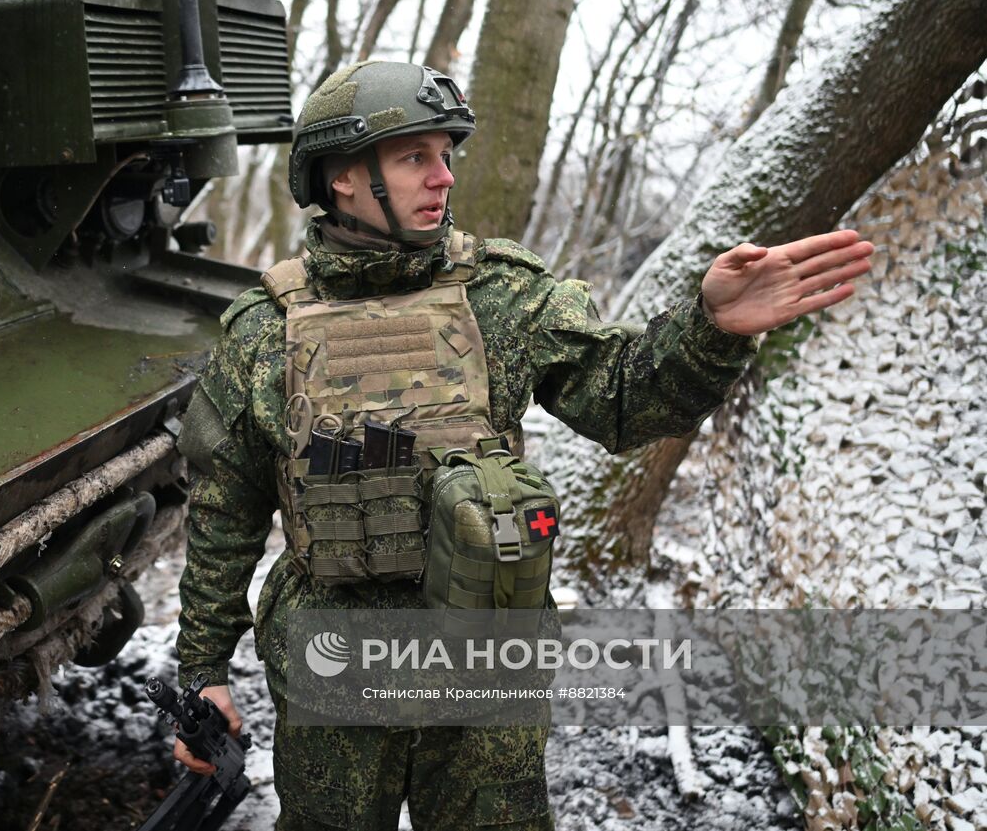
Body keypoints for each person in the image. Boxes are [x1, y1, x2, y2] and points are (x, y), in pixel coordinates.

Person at [170, 61, 875, 830]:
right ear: (342, 177)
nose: (443, 177)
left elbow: (622, 397)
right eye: (416, 158)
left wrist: (707, 330)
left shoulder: (501, 295)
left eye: (447, 155)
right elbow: (224, 508)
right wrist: (204, 666)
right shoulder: (263, 329)